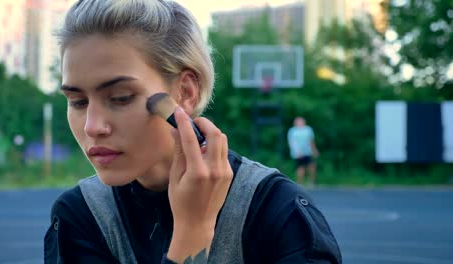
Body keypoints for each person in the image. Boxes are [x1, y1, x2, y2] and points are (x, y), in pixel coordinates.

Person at [44, 1, 341, 263]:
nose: (92, 126)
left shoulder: (277, 210)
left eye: (121, 97)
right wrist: (192, 234)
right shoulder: (82, 216)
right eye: (78, 101)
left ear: (185, 91)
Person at [287, 117, 320, 186]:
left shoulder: (308, 129)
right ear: (295, 123)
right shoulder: (292, 131)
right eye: (298, 121)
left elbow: (311, 141)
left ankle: (312, 182)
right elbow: (292, 143)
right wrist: (297, 152)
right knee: (300, 167)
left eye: (302, 121)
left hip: (308, 152)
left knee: (311, 166)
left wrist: (314, 150)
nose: (300, 122)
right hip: (298, 153)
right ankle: (300, 183)